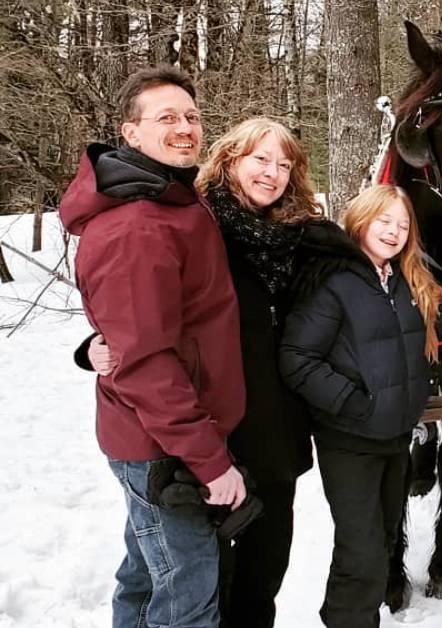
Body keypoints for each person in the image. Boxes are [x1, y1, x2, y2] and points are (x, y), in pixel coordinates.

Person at [79, 117, 351, 627]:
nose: (272, 173)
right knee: (193, 583)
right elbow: (141, 309)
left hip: (276, 436)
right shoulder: (197, 226)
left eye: (283, 164)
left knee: (262, 576)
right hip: (207, 438)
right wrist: (93, 345)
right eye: (260, 159)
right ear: (230, 159)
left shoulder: (307, 241)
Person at [60, 65, 245, 628]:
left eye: (191, 116)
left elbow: (140, 328)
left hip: (162, 435)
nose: (185, 127)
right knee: (186, 595)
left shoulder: (172, 200)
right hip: (163, 444)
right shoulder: (138, 225)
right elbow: (143, 362)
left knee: (146, 577)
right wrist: (210, 463)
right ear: (130, 132)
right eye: (166, 117)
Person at [278, 184, 442, 628]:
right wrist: (356, 404)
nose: (393, 231)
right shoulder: (333, 279)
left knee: (382, 544)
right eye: (384, 220)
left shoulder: (405, 280)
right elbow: (297, 359)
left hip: (393, 439)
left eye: (402, 224)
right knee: (362, 551)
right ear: (361, 220)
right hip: (349, 441)